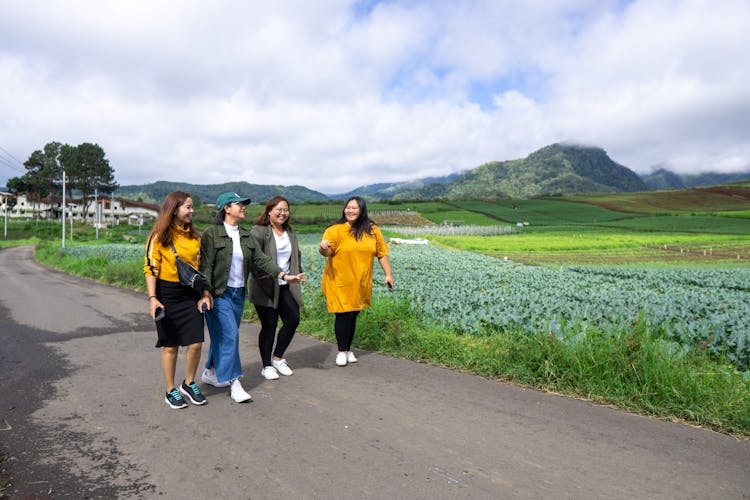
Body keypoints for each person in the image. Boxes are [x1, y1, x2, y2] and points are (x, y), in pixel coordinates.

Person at [199, 192, 304, 403]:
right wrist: (204, 293)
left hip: (238, 294)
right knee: (231, 336)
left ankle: (210, 372)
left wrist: (284, 275)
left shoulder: (246, 236)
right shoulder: (212, 234)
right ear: (226, 208)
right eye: (239, 205)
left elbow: (263, 261)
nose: (244, 208)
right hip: (218, 294)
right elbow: (206, 266)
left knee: (224, 335)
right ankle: (235, 382)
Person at [144, 191, 208, 409]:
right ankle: (170, 389)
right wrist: (153, 298)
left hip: (190, 294)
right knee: (171, 346)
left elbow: (201, 270)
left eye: (192, 207)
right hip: (166, 294)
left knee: (196, 342)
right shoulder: (158, 237)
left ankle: (189, 383)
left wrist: (204, 295)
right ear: (174, 209)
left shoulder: (195, 237)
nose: (192, 211)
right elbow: (151, 269)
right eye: (188, 207)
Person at [318, 196, 394, 366]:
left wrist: (388, 274)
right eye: (348, 207)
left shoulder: (372, 230)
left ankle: (348, 348)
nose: (350, 211)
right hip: (339, 281)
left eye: (354, 208)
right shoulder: (335, 230)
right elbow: (327, 253)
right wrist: (323, 248)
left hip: (361, 282)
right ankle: (341, 351)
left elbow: (382, 253)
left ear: (362, 210)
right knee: (343, 315)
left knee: (353, 315)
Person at [249, 196, 307, 380]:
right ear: (269, 211)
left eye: (286, 210)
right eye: (278, 209)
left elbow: (295, 257)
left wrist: (298, 274)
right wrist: (263, 275)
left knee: (293, 320)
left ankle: (277, 358)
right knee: (269, 326)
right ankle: (266, 366)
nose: (283, 213)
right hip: (266, 286)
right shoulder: (259, 231)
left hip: (286, 286)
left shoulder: (290, 233)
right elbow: (251, 258)